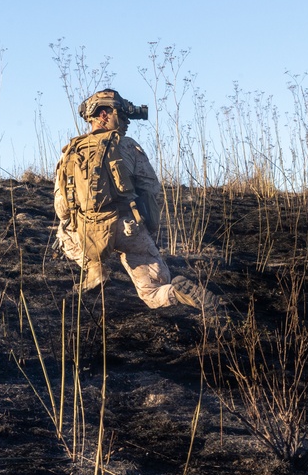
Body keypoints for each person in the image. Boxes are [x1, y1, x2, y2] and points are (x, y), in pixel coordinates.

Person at [53, 88, 217, 311]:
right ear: (103, 115)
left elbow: (62, 207)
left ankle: (94, 268)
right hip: (128, 227)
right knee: (152, 292)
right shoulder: (128, 146)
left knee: (63, 232)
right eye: (121, 116)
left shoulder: (69, 152)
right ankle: (174, 293)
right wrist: (148, 227)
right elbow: (151, 188)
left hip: (85, 232)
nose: (126, 122)